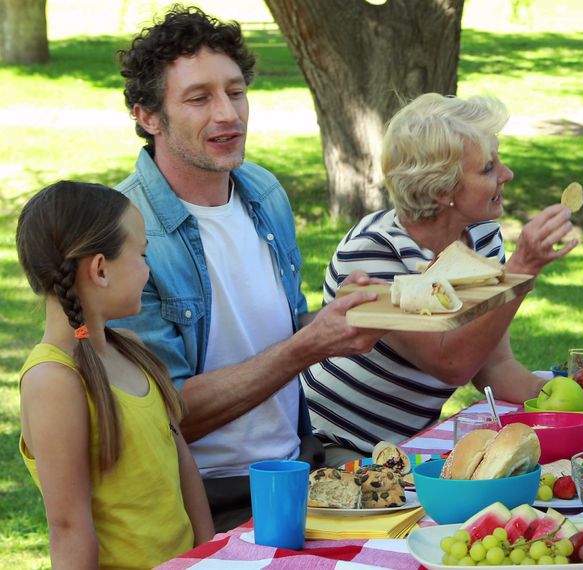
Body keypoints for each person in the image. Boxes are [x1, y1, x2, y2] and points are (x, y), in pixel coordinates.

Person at [110, 5, 385, 532]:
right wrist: (309, 346)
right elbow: (167, 415)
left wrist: (335, 321)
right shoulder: (124, 234)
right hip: (199, 500)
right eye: (199, 98)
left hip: (295, 467)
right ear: (147, 116)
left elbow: (278, 333)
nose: (228, 115)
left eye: (235, 92)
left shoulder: (262, 192)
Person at [301, 93, 577, 465]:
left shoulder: (480, 237)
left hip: (411, 446)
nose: (507, 174)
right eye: (488, 168)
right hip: (337, 446)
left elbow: (492, 365)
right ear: (441, 190)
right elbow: (451, 362)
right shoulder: (374, 252)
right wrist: (522, 268)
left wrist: (577, 400)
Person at [15, 181, 214, 568]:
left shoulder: (130, 347)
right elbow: (69, 528)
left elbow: (181, 461)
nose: (147, 269)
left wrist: (211, 556)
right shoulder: (53, 381)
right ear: (101, 270)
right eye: (141, 254)